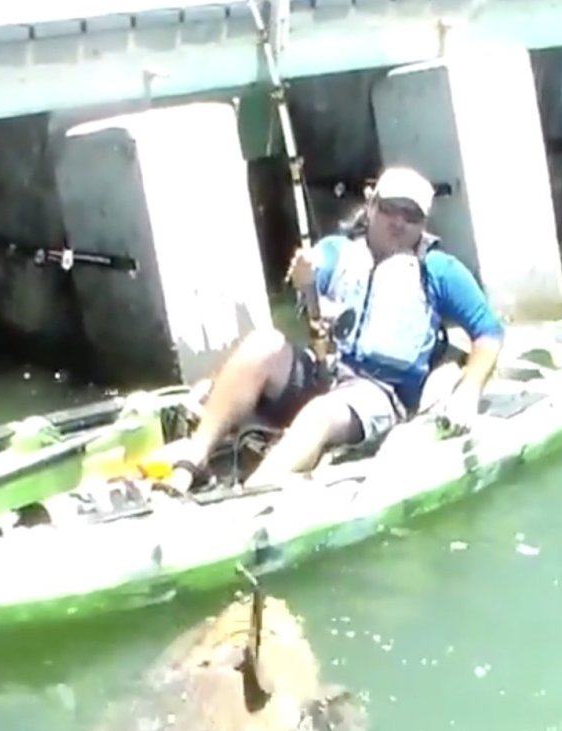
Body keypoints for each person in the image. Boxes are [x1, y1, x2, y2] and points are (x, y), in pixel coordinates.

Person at [143, 166, 505, 493]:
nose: (398, 222)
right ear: (372, 205)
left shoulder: (440, 270)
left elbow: (488, 332)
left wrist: (469, 389)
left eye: (411, 216)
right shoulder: (338, 250)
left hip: (381, 393)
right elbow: (312, 273)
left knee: (321, 413)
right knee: (264, 344)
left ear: (422, 223)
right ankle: (193, 460)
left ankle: (252, 496)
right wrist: (305, 275)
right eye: (390, 208)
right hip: (326, 372)